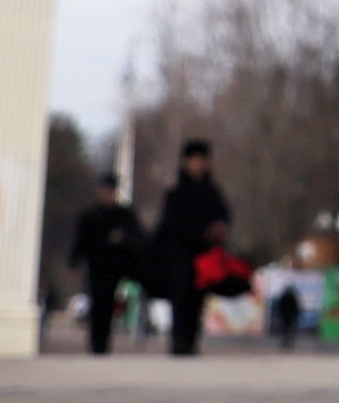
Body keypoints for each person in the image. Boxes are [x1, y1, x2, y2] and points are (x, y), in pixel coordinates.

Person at [152, 139, 231, 357]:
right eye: (194, 161)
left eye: (201, 161)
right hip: (180, 255)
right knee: (180, 298)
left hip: (204, 257)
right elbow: (165, 226)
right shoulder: (175, 194)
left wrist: (220, 228)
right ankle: (179, 341)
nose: (197, 165)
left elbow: (224, 217)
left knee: (197, 300)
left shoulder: (213, 193)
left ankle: (191, 341)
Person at [68, 174, 144, 355]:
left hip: (116, 267)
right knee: (97, 304)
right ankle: (96, 343)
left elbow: (137, 239)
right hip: (96, 266)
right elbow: (80, 241)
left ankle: (102, 343)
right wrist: (74, 262)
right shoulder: (90, 216)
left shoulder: (124, 215)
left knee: (108, 304)